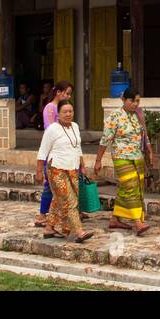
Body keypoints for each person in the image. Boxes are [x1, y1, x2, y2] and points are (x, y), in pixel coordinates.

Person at [94, 88, 152, 236]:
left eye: (137, 101)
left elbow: (143, 134)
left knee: (131, 188)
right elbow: (105, 139)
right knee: (131, 186)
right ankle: (138, 222)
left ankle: (115, 219)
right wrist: (98, 160)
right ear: (124, 100)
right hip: (121, 157)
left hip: (137, 157)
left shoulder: (137, 115)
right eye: (132, 101)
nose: (135, 104)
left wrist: (150, 152)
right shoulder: (115, 116)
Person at [39, 101, 94, 243]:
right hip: (56, 168)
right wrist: (39, 171)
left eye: (70, 111)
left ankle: (49, 228)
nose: (68, 114)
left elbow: (77, 147)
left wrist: (82, 165)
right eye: (65, 112)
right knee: (70, 199)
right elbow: (42, 152)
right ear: (59, 114)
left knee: (59, 199)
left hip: (72, 168)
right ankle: (79, 231)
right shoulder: (52, 129)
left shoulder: (75, 126)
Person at [34, 82, 74, 224]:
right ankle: (42, 214)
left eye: (70, 94)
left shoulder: (65, 109)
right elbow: (52, 129)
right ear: (58, 92)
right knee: (50, 185)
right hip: (53, 151)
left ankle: (68, 212)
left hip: (65, 151)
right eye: (67, 93)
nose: (68, 96)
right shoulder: (50, 108)